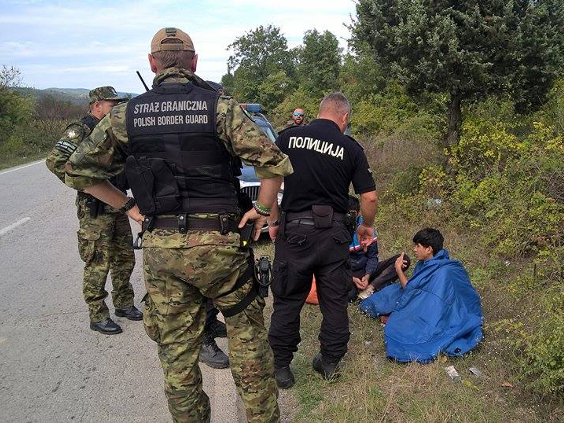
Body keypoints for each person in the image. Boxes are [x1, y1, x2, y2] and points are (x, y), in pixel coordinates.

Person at [64, 27, 292, 423]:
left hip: (163, 251)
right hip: (222, 247)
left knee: (177, 358)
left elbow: (75, 170)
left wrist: (127, 205)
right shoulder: (220, 107)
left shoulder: (125, 115)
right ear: (195, 62)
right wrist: (262, 209)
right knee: (249, 348)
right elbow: (273, 161)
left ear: (152, 63)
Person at [267, 92, 378, 388]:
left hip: (295, 231)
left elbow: (271, 182)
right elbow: (369, 196)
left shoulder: (288, 138)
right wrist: (367, 226)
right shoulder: (351, 147)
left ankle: (281, 367)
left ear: (319, 112)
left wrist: (273, 221)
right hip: (334, 236)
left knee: (288, 300)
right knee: (334, 301)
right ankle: (329, 362)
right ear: (344, 117)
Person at [46, 86, 141, 335]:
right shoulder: (81, 130)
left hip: (118, 202)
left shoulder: (112, 130)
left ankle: (124, 303)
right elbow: (55, 161)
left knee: (124, 258)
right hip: (95, 208)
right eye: (112, 105)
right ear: (97, 105)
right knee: (98, 262)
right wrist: (84, 185)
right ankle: (97, 314)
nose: (116, 109)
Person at [359, 228, 483, 363]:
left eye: (418, 246)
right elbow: (415, 289)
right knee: (390, 294)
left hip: (437, 308)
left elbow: (411, 291)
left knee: (406, 315)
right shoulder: (425, 263)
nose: (414, 249)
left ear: (429, 249)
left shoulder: (445, 270)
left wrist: (398, 270)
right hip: (421, 299)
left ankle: (394, 317)